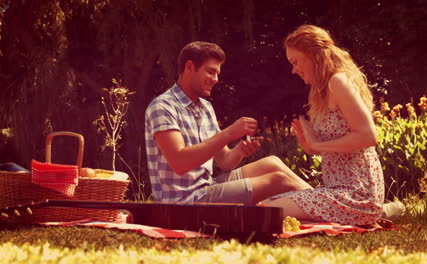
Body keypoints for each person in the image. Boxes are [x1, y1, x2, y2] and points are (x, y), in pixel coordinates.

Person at [262, 25, 404, 225]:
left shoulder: (338, 82)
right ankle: (377, 214)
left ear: (312, 54)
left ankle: (372, 213)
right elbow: (339, 143)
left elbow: (367, 136)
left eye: (295, 62)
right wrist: (311, 141)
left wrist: (317, 145)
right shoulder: (320, 91)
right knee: (266, 206)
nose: (293, 70)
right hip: (337, 192)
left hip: (358, 195)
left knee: (267, 211)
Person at [145, 41, 311, 205]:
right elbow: (179, 163)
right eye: (210, 72)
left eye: (217, 73)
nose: (216, 79)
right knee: (279, 181)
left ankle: (321, 200)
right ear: (189, 67)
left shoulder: (205, 108)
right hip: (183, 202)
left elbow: (225, 162)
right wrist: (229, 133)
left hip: (207, 187)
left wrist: (240, 150)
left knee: (272, 163)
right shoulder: (163, 106)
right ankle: (323, 208)